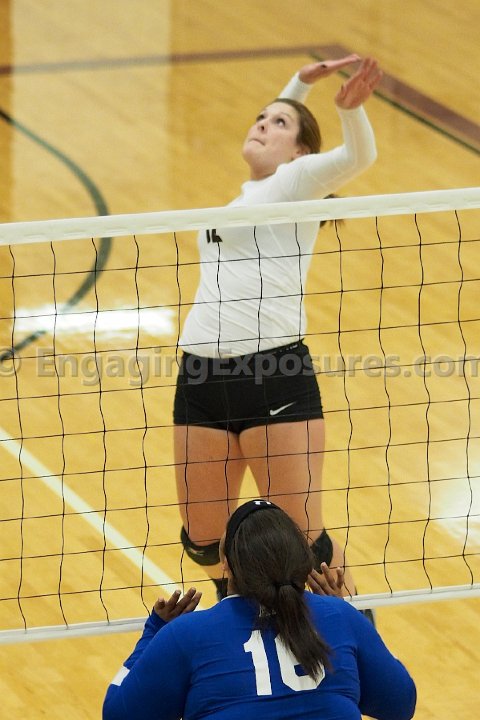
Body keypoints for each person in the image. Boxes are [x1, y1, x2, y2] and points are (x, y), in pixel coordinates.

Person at [174, 54, 383, 598]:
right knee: (204, 541)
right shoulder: (250, 196)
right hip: (200, 377)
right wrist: (299, 85)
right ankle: (243, 623)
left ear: (300, 153)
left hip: (272, 374)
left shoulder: (295, 182)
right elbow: (285, 125)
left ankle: (353, 631)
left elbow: (358, 156)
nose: (263, 125)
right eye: (260, 118)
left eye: (278, 122)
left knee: (304, 546)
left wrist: (349, 110)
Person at [103, 499, 416, 720]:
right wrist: (348, 617)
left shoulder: (185, 636)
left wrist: (153, 632)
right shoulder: (340, 618)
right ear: (300, 560)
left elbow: (117, 714)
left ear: (226, 564)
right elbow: (401, 704)